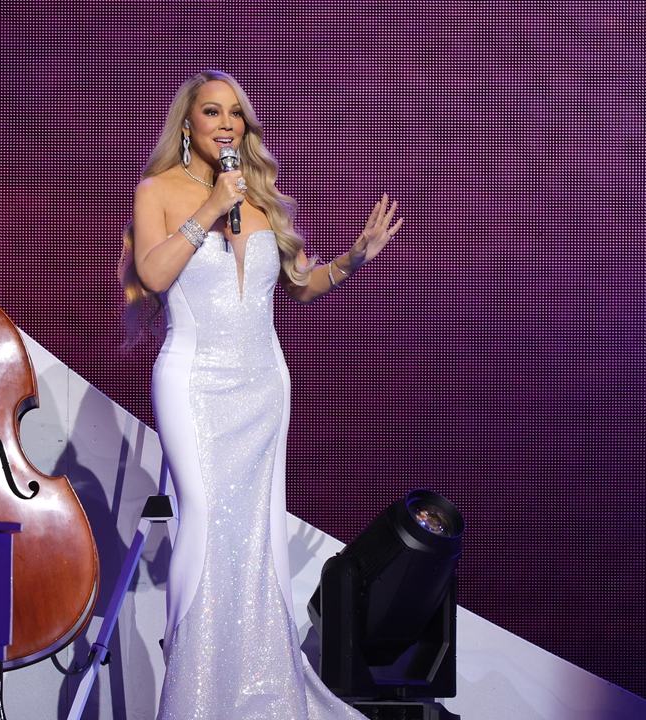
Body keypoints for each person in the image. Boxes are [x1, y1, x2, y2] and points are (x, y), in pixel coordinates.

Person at [119, 70, 402, 719]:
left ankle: (264, 699)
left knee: (259, 541)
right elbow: (153, 273)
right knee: (203, 531)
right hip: (194, 381)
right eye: (211, 112)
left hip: (263, 385)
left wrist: (354, 257)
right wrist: (211, 208)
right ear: (187, 125)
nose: (225, 124)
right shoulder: (159, 191)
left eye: (235, 114)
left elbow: (298, 287)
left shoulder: (265, 198)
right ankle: (193, 700)